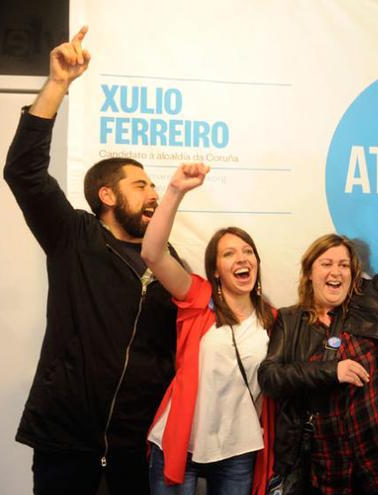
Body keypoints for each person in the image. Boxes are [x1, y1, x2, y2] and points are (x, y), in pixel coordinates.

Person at [3, 27, 178, 494]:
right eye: (141, 186)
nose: (153, 195)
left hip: (136, 450)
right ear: (106, 194)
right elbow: (23, 170)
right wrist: (58, 83)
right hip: (67, 444)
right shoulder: (73, 235)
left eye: (155, 188)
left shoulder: (163, 257)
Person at [258, 174, 378, 495]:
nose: (335, 271)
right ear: (310, 272)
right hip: (324, 460)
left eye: (344, 265)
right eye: (326, 264)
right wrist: (332, 371)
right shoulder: (291, 320)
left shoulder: (369, 301)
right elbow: (270, 377)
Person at [140, 164, 276, 494]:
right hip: (181, 441)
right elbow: (152, 253)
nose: (242, 258)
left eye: (248, 251)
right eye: (229, 253)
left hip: (238, 449)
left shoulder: (274, 319)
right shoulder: (197, 297)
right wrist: (175, 191)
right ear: (215, 270)